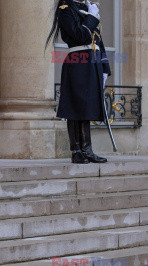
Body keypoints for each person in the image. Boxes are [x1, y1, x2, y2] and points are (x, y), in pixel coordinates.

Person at [45, 0, 110, 163]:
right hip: (77, 60)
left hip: (92, 63)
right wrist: (92, 17)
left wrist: (105, 68)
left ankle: (87, 150)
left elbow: (98, 42)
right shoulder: (65, 9)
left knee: (87, 106)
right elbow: (80, 35)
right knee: (76, 105)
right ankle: (76, 151)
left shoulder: (88, 8)